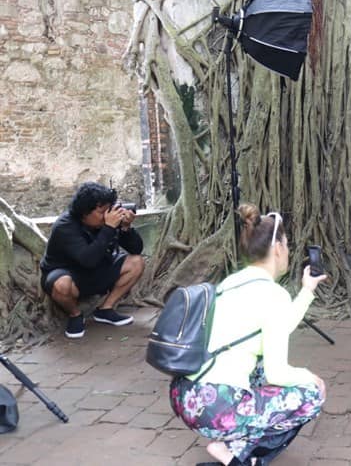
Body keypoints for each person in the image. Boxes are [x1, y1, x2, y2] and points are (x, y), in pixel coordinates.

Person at [170, 204, 327, 466]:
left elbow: (278, 327)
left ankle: (231, 446)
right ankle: (238, 456)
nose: (287, 251)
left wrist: (307, 290)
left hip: (184, 395)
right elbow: (278, 374)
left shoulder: (230, 282)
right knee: (311, 393)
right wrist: (310, 377)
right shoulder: (273, 295)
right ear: (277, 248)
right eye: (286, 244)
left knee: (261, 366)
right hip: (214, 407)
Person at [40, 182, 145, 338]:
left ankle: (105, 309)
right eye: (101, 211)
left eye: (108, 209)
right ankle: (75, 315)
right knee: (62, 284)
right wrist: (109, 228)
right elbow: (87, 259)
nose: (107, 215)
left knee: (137, 262)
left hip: (98, 270)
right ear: (84, 213)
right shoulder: (65, 226)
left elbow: (136, 249)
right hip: (69, 276)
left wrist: (125, 228)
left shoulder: (107, 221)